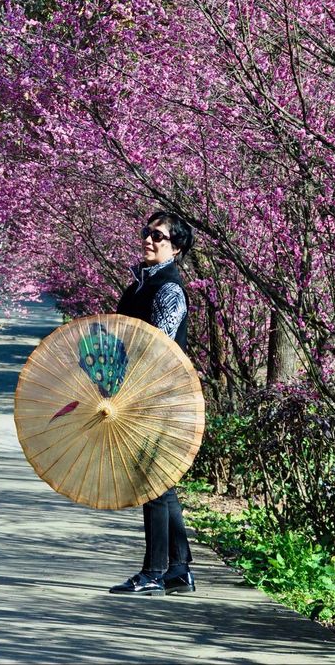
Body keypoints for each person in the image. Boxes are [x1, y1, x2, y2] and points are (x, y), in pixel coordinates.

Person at [108, 210, 197, 597]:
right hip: (140, 392)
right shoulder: (139, 285)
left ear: (175, 248)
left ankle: (153, 572)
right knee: (162, 483)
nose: (148, 239)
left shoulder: (169, 289)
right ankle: (178, 569)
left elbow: (156, 346)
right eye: (147, 232)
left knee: (151, 481)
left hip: (159, 395)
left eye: (158, 236)